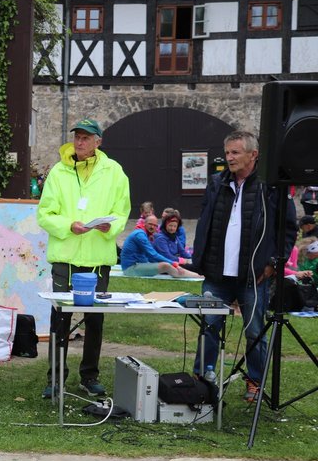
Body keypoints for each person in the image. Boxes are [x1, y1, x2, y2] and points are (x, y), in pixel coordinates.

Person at [191, 131, 297, 403]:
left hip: (254, 275)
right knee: (209, 326)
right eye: (227, 152)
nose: (229, 158)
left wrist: (274, 263)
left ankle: (255, 381)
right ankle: (202, 379)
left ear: (254, 154)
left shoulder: (270, 187)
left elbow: (287, 229)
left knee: (254, 331)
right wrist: (201, 258)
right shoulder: (216, 183)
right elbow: (206, 222)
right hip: (217, 274)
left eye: (235, 152)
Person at [37, 118, 131, 398]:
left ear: (98, 142)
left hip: (97, 258)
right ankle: (55, 378)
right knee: (60, 319)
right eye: (77, 137)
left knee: (95, 320)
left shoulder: (115, 171)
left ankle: (89, 376)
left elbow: (122, 210)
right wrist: (69, 225)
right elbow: (45, 213)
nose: (79, 142)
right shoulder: (58, 171)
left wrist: (110, 226)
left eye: (86, 138)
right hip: (65, 258)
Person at [121, 215, 201, 278]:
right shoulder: (141, 235)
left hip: (138, 264)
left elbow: (182, 251)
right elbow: (153, 255)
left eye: (155, 225)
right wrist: (174, 263)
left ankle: (196, 274)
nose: (152, 227)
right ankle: (196, 276)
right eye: (150, 224)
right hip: (131, 268)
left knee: (169, 264)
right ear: (144, 223)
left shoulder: (146, 234)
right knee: (166, 265)